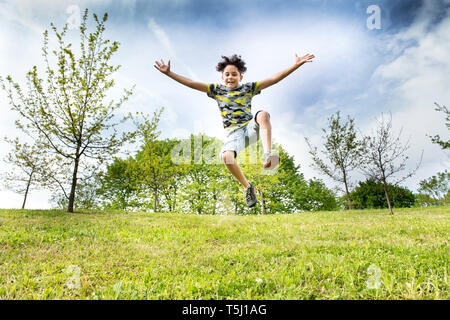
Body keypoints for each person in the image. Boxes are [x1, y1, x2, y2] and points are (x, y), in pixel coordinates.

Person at [154, 53, 315, 207]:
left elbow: (273, 79)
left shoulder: (249, 88)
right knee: (226, 156)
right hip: (234, 134)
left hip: (251, 128)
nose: (230, 77)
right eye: (227, 74)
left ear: (241, 77)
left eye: (234, 74)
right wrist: (169, 73)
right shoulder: (216, 90)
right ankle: (248, 187)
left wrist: (295, 65)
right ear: (222, 77)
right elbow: (191, 84)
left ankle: (268, 155)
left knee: (263, 114)